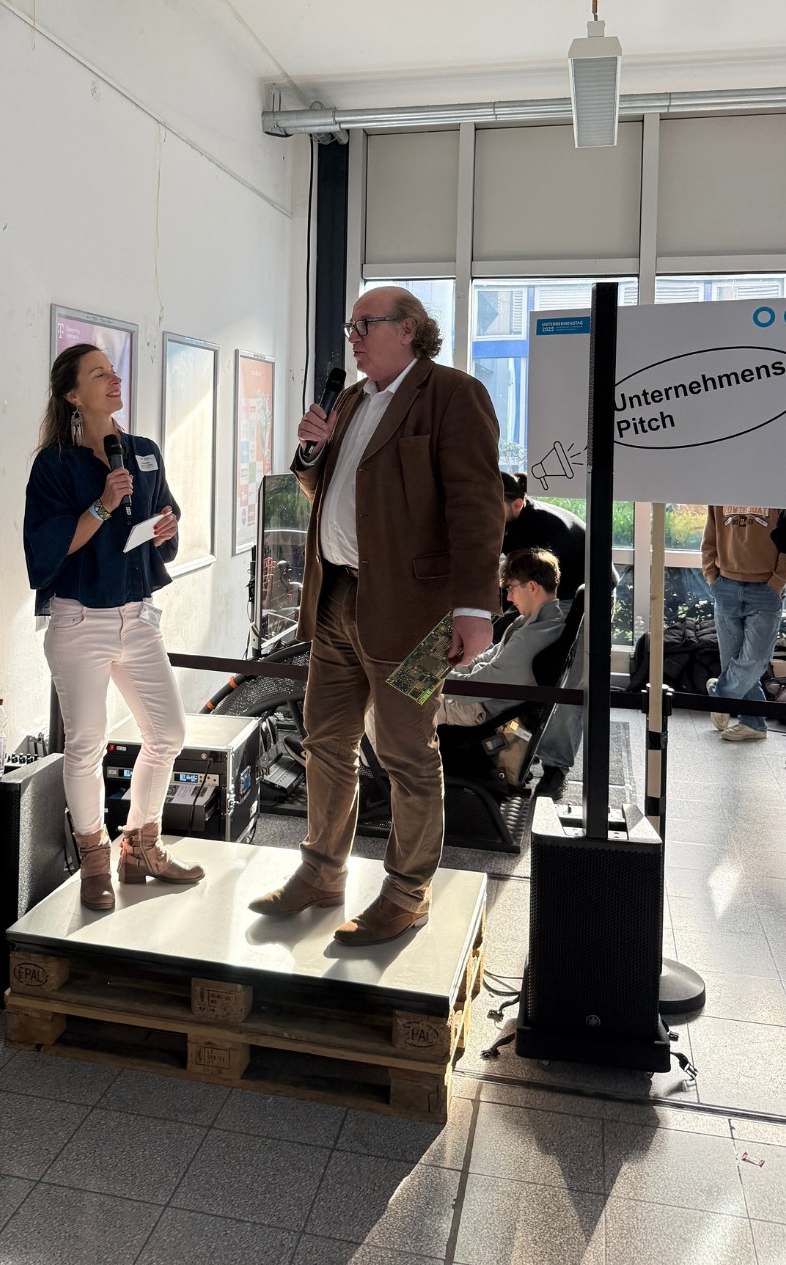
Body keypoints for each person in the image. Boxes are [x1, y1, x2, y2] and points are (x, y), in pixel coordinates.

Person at [250, 286, 504, 946]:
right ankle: (322, 870)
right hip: (337, 600)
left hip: (417, 616)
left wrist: (475, 608)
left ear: (410, 329)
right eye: (351, 325)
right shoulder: (351, 401)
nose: (354, 337)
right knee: (324, 739)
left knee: (406, 753)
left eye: (366, 324)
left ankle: (407, 893)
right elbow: (330, 489)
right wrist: (310, 455)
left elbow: (477, 508)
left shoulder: (453, 395)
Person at [24, 343, 202, 910]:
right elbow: (47, 550)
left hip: (138, 616)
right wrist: (102, 505)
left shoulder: (143, 451)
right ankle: (94, 860)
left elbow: (164, 526)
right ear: (73, 395)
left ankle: (141, 847)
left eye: (113, 370)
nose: (113, 378)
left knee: (168, 733)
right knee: (86, 745)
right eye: (98, 373)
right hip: (80, 620)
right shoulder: (53, 464)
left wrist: (166, 527)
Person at [501, 471, 588, 798]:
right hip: (554, 595)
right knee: (530, 672)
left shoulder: (541, 528)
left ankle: (555, 768)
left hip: (582, 598)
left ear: (517, 504)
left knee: (565, 685)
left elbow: (528, 586)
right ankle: (522, 751)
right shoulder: (513, 519)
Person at [436, 548, 566, 726]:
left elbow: (471, 690)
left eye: (511, 588)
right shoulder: (533, 622)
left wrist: (431, 678)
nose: (509, 598)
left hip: (473, 707)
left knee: (403, 704)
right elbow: (487, 658)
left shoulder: (531, 639)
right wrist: (442, 668)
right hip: (472, 693)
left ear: (532, 587)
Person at [702, 504, 786, 742]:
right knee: (732, 659)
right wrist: (711, 575)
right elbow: (710, 536)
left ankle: (720, 693)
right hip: (725, 584)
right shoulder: (720, 493)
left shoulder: (777, 489)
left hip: (765, 588)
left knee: (756, 659)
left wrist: (777, 582)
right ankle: (754, 723)